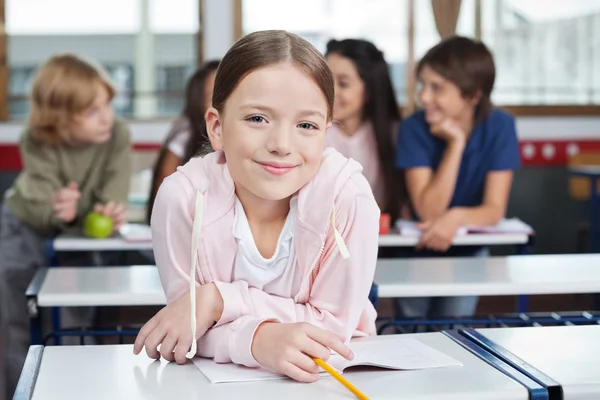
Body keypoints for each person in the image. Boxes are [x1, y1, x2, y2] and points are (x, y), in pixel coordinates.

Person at [133, 30, 380, 383]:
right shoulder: (182, 199)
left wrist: (219, 300)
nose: (281, 144)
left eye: (306, 125)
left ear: (327, 132)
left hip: (330, 382)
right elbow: (185, 327)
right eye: (257, 119)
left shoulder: (348, 198)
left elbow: (333, 331)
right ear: (216, 127)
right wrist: (256, 340)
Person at [0, 54, 131, 398]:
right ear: (59, 119)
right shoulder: (36, 138)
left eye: (107, 104)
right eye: (91, 111)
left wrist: (107, 213)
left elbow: (112, 195)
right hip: (22, 226)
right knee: (15, 322)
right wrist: (66, 213)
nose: (107, 117)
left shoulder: (116, 134)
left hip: (76, 237)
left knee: (73, 319)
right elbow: (45, 209)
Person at [395, 36, 521, 320]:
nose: (423, 97)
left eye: (436, 88)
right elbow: (428, 210)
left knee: (455, 328)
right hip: (417, 248)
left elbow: (494, 210)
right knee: (409, 327)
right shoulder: (413, 128)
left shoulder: (501, 126)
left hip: (469, 250)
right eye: (422, 85)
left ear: (473, 95)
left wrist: (455, 217)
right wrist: (455, 145)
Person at [325, 38, 405, 223]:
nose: (331, 91)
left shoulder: (393, 134)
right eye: (326, 80)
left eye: (343, 84)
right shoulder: (312, 132)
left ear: (369, 90)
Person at [146, 60, 220, 223]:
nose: (222, 104)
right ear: (198, 103)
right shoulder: (184, 136)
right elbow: (164, 196)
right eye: (212, 97)